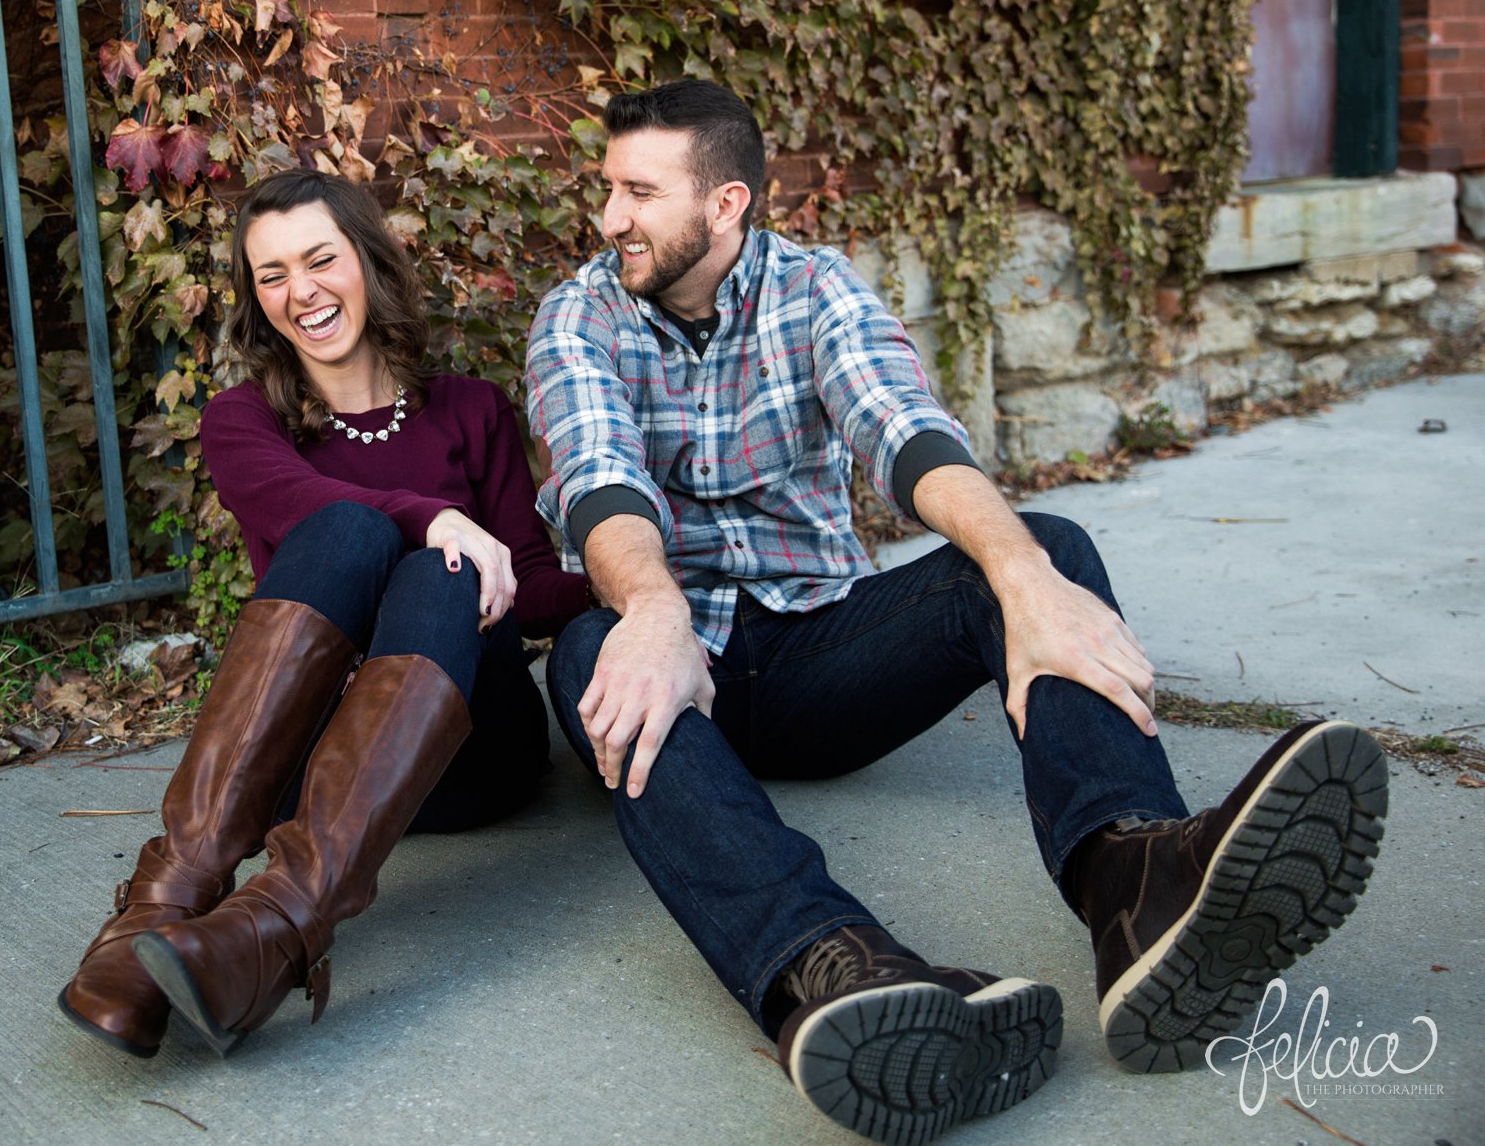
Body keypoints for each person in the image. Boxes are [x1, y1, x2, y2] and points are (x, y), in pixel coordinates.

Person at [524, 79, 1390, 1144]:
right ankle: (832, 968)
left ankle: (1132, 878)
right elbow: (599, 480)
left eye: (638, 192)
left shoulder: (813, 290)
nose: (608, 217)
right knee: (583, 645)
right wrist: (651, 613)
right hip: (668, 673)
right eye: (607, 187)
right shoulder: (580, 312)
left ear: (725, 204)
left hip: (813, 656)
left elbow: (909, 436)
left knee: (1046, 550)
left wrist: (1022, 580)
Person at [58, 168, 589, 1058]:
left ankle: (266, 927)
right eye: (270, 274)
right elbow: (311, 505)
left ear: (368, 260)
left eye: (317, 259)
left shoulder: (470, 409)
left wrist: (632, 569)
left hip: (470, 746)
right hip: (319, 773)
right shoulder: (241, 422)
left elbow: (526, 588)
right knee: (347, 529)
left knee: (438, 572)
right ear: (255, 297)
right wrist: (436, 514)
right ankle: (191, 906)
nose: (299, 291)